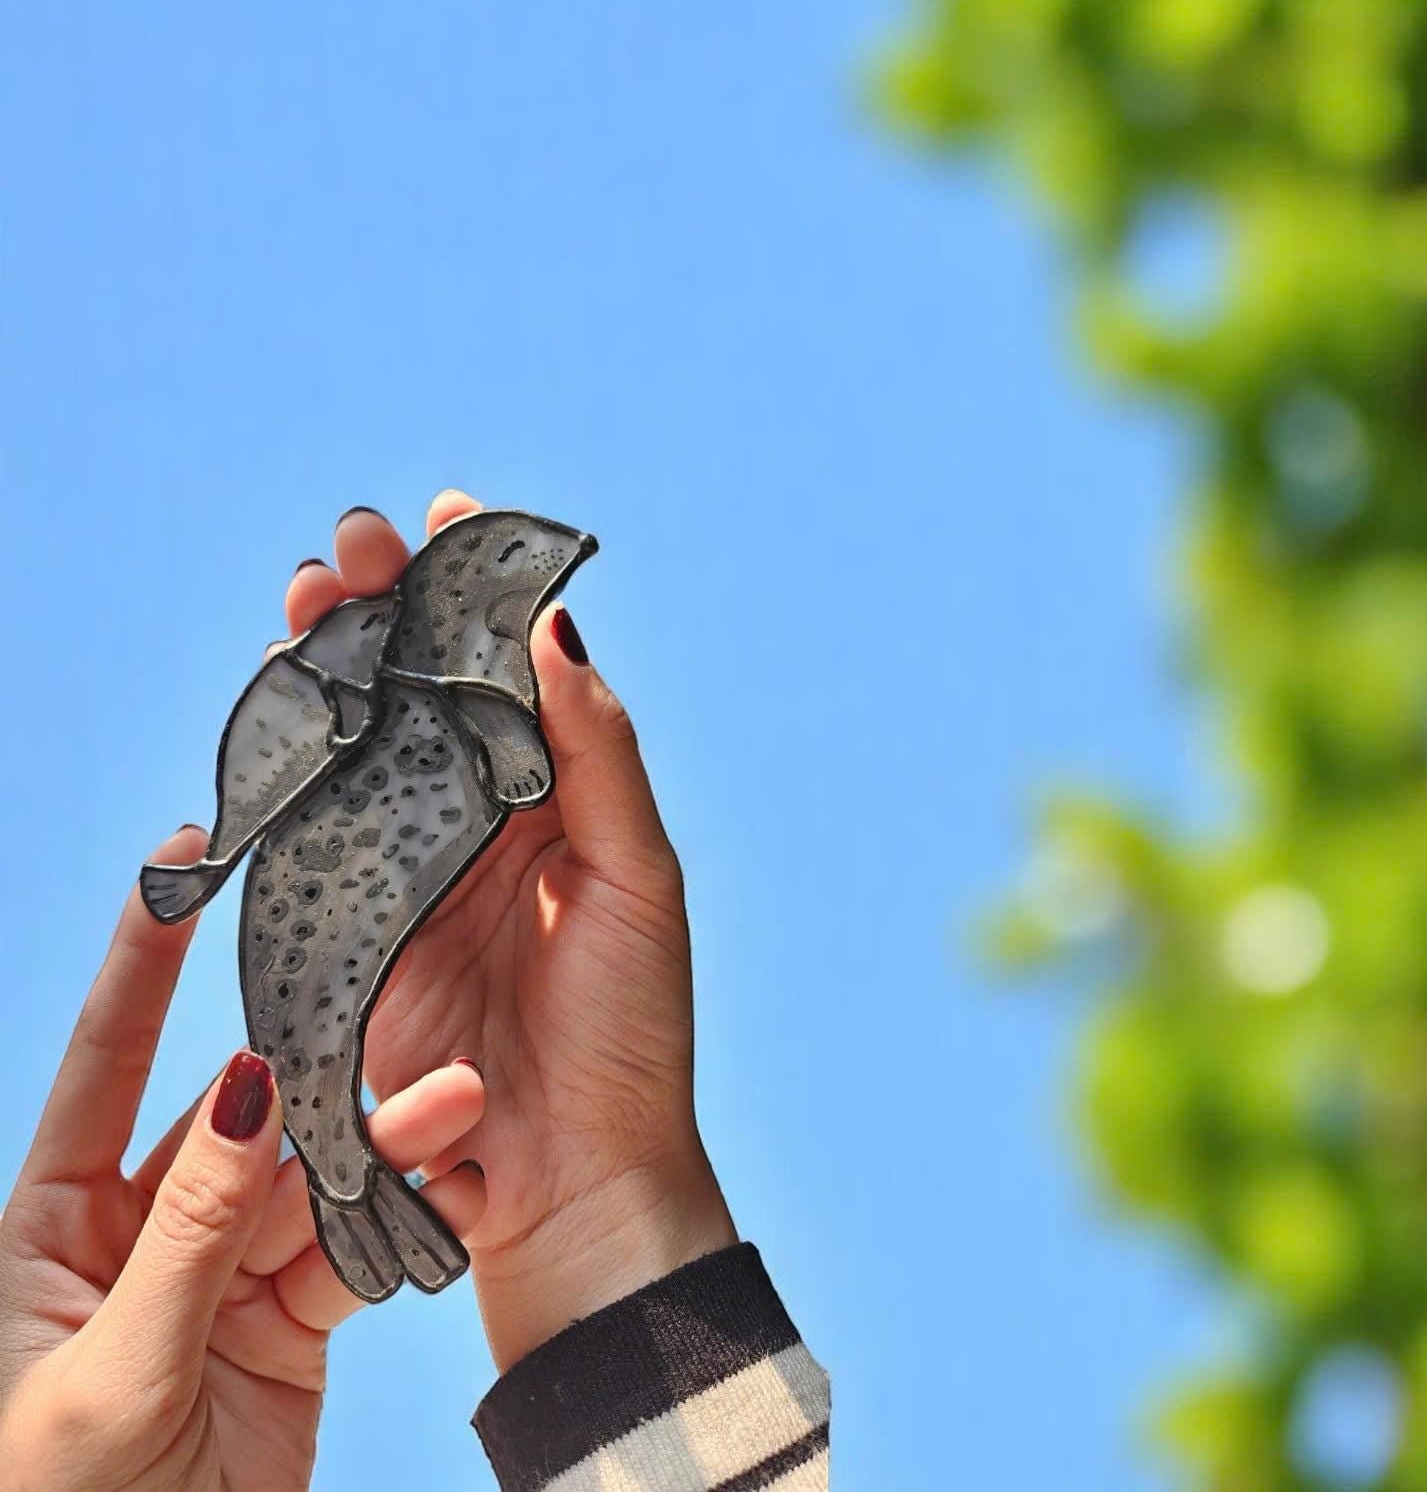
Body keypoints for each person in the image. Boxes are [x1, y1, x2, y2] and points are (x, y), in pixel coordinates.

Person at [0, 495, 829, 1490]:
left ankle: (353, 1175)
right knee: (321, 1084)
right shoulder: (415, 692)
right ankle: (347, 1176)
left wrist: (593, 1216)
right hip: (308, 916)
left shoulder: (450, 698)